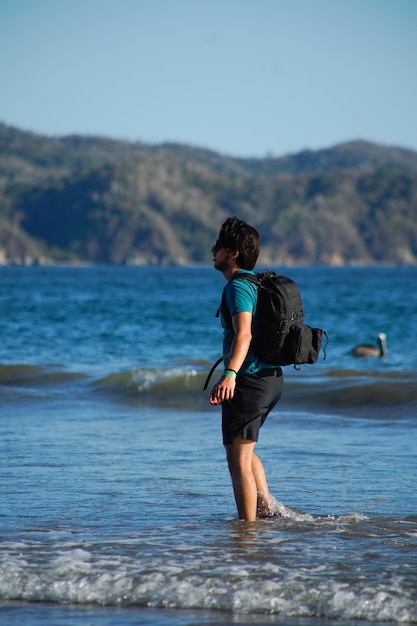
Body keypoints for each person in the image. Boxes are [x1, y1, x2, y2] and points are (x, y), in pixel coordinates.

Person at [209, 216, 284, 521]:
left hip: (250, 380)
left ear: (233, 253)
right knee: (245, 449)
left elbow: (244, 334)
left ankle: (247, 532)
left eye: (219, 245)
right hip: (270, 380)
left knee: (237, 459)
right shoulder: (255, 283)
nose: (213, 250)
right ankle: (265, 509)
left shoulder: (238, 287)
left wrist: (230, 374)